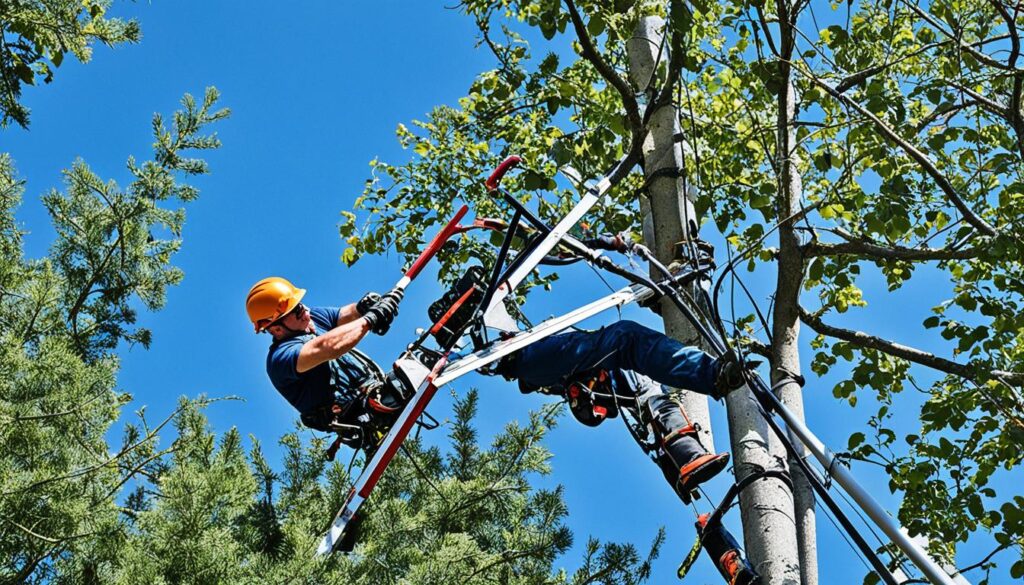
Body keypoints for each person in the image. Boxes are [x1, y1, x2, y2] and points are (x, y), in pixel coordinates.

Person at [245, 275, 752, 500]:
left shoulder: (308, 321)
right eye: (294, 312)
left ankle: (680, 457)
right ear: (274, 327)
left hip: (531, 359)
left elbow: (344, 316)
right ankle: (712, 376)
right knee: (624, 340)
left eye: (301, 305)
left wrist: (371, 302)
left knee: (627, 375)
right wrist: (372, 320)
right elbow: (331, 347)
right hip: (371, 409)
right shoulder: (286, 357)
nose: (306, 312)